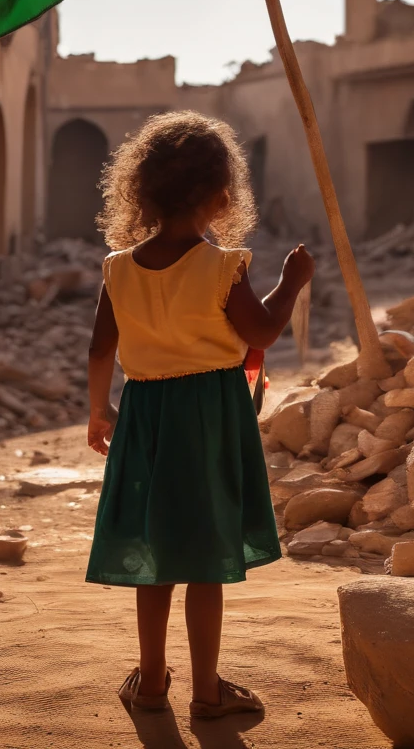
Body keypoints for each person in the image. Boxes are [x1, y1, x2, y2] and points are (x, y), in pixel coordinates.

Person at [85, 111, 315, 720]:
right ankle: (208, 692)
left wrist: (98, 414)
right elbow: (262, 327)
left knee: (156, 552)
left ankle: (153, 680)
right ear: (220, 196)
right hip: (210, 416)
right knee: (206, 556)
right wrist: (292, 283)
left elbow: (99, 349)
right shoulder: (220, 267)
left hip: (146, 415)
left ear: (142, 193)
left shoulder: (118, 269)